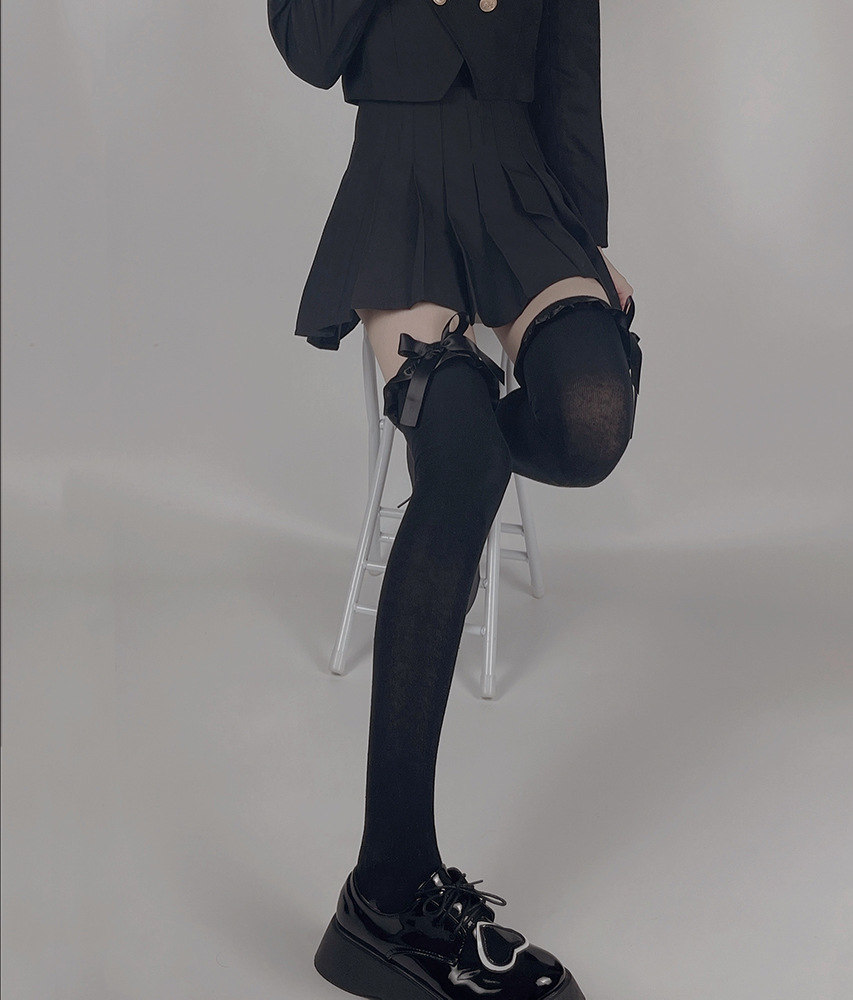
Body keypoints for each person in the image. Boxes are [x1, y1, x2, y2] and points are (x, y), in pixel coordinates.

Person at [268, 1, 641, 996]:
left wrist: (587, 239)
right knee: (465, 470)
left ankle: (460, 456)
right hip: (400, 184)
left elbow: (569, 82)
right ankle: (386, 890)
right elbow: (309, 47)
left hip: (524, 191)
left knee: (592, 417)